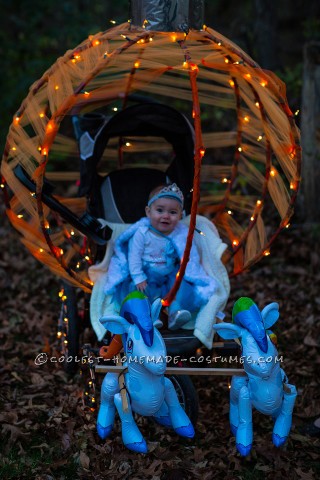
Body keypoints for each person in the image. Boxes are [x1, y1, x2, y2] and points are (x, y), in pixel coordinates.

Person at [104, 183, 217, 330]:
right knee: (142, 292)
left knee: (180, 286)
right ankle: (150, 316)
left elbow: (188, 255)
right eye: (159, 210)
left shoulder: (180, 233)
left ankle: (175, 314)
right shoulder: (142, 233)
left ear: (181, 215)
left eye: (172, 212)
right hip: (147, 274)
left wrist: (186, 270)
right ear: (148, 212)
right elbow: (134, 257)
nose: (166, 216)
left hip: (170, 273)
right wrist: (138, 277)